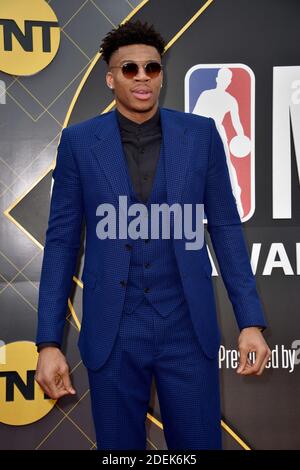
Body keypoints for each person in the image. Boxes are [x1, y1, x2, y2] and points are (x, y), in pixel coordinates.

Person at [35, 20, 271, 450]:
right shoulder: (79, 142)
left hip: (186, 327)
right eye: (129, 69)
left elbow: (226, 230)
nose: (142, 77)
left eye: (151, 68)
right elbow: (62, 244)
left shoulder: (199, 136)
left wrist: (250, 321)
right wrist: (48, 342)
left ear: (162, 74)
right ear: (111, 78)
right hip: (113, 331)